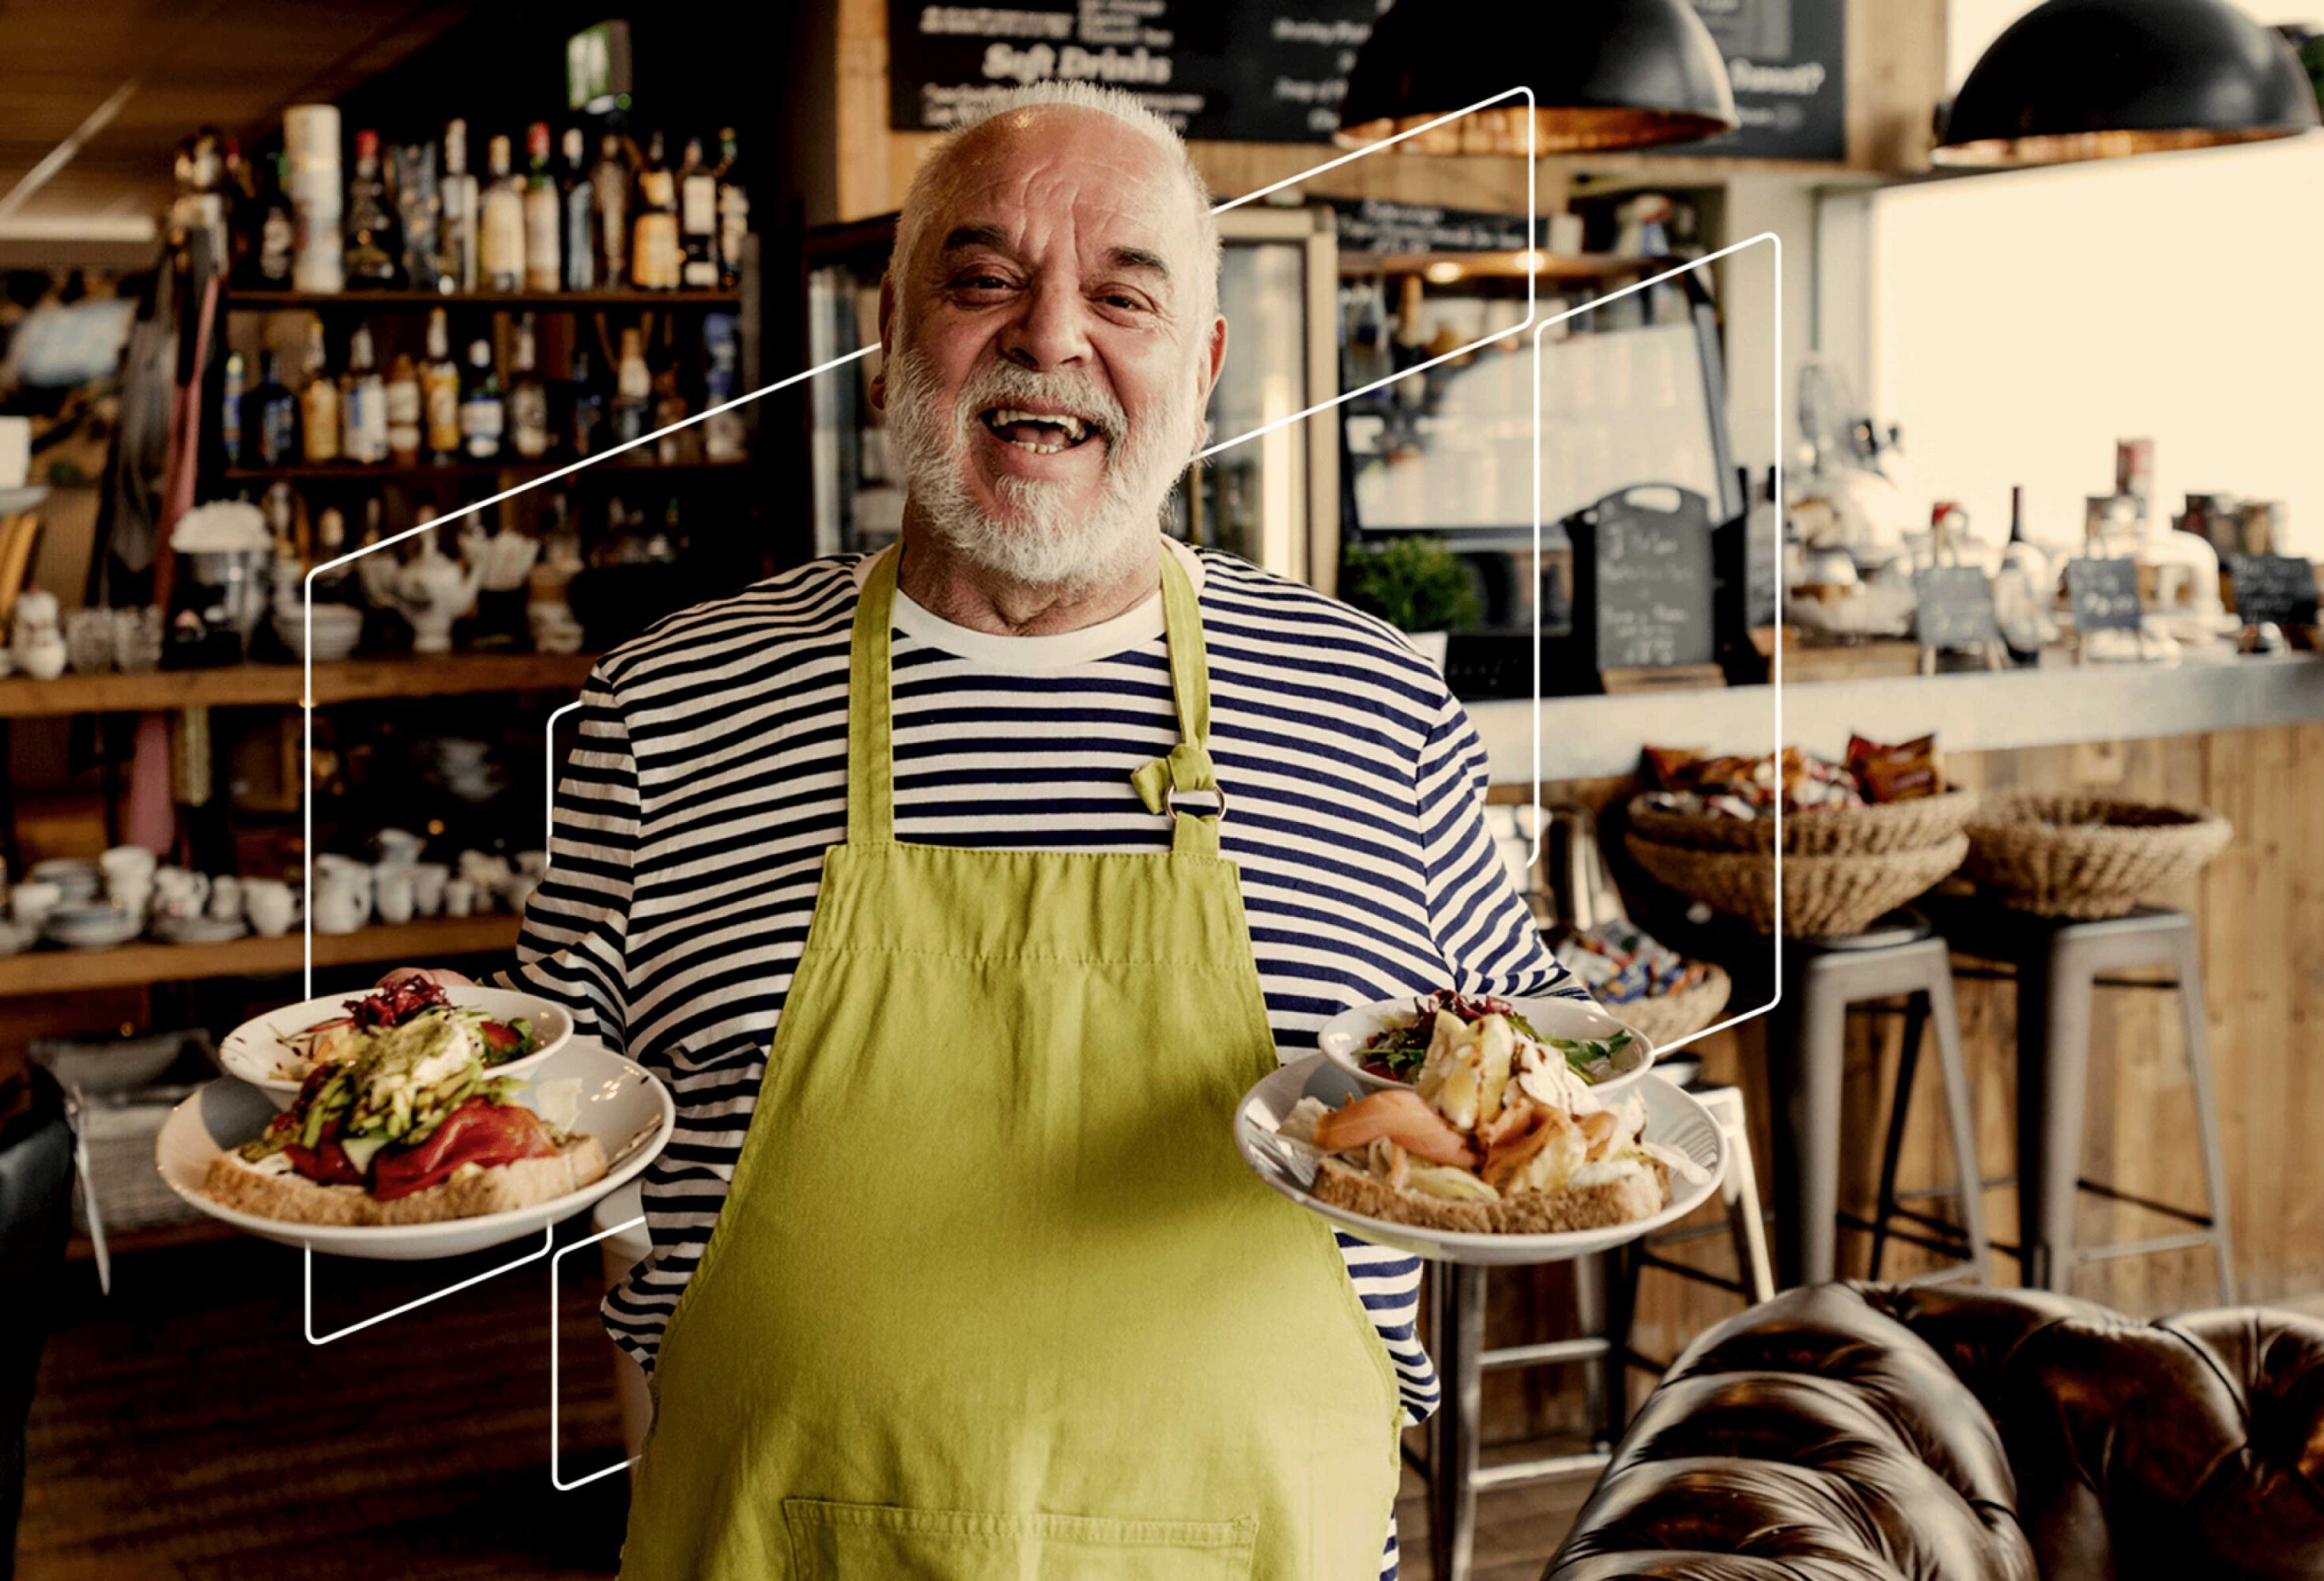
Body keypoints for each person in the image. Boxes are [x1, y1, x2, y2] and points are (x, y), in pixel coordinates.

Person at [490, 81, 1578, 1579]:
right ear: (888, 333)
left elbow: (1535, 1100)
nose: (1050, 337)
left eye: (1121, 293)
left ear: (1201, 367)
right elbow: (537, 1137)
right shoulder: (661, 710)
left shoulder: (1379, 711)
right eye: (985, 278)